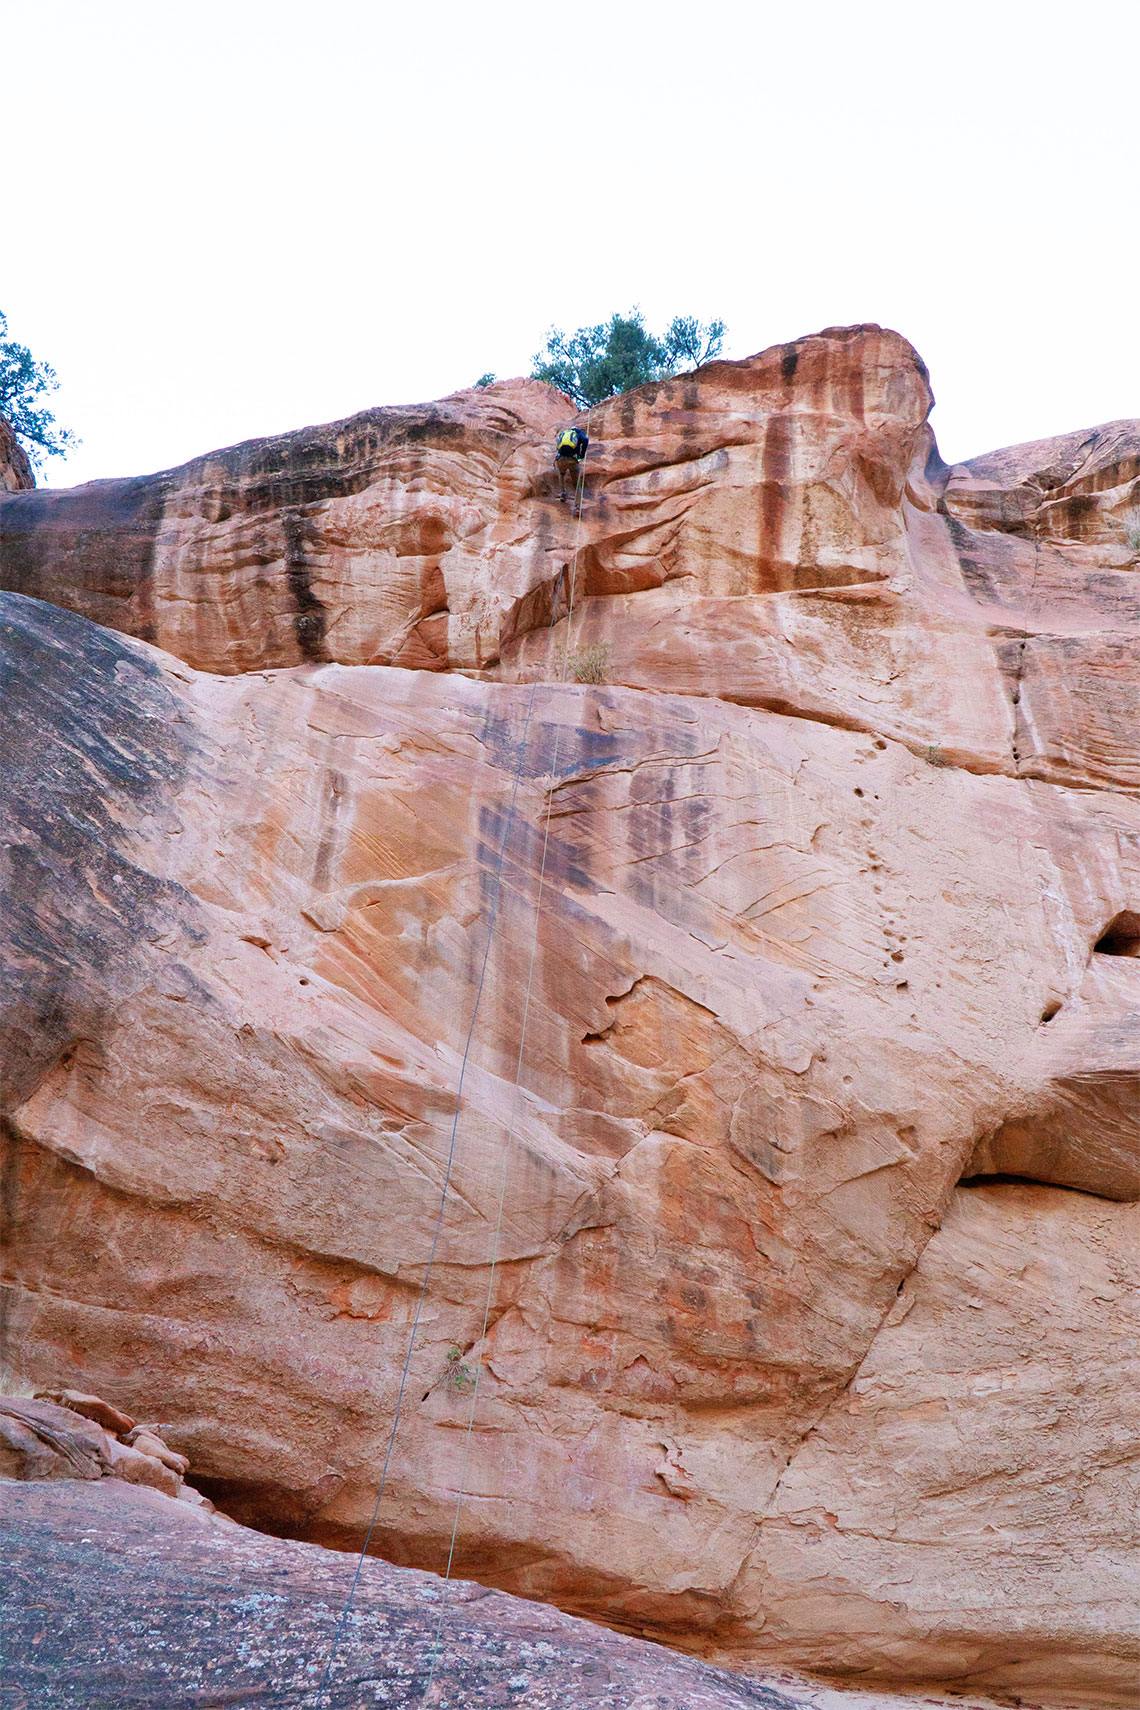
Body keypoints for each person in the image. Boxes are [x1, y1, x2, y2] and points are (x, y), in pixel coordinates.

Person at [554, 425, 589, 509]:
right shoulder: (578, 433)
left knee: (562, 474)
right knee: (577, 483)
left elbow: (558, 445)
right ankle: (577, 505)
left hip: (560, 459)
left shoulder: (564, 433)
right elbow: (585, 440)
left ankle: (563, 493)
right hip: (572, 459)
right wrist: (582, 455)